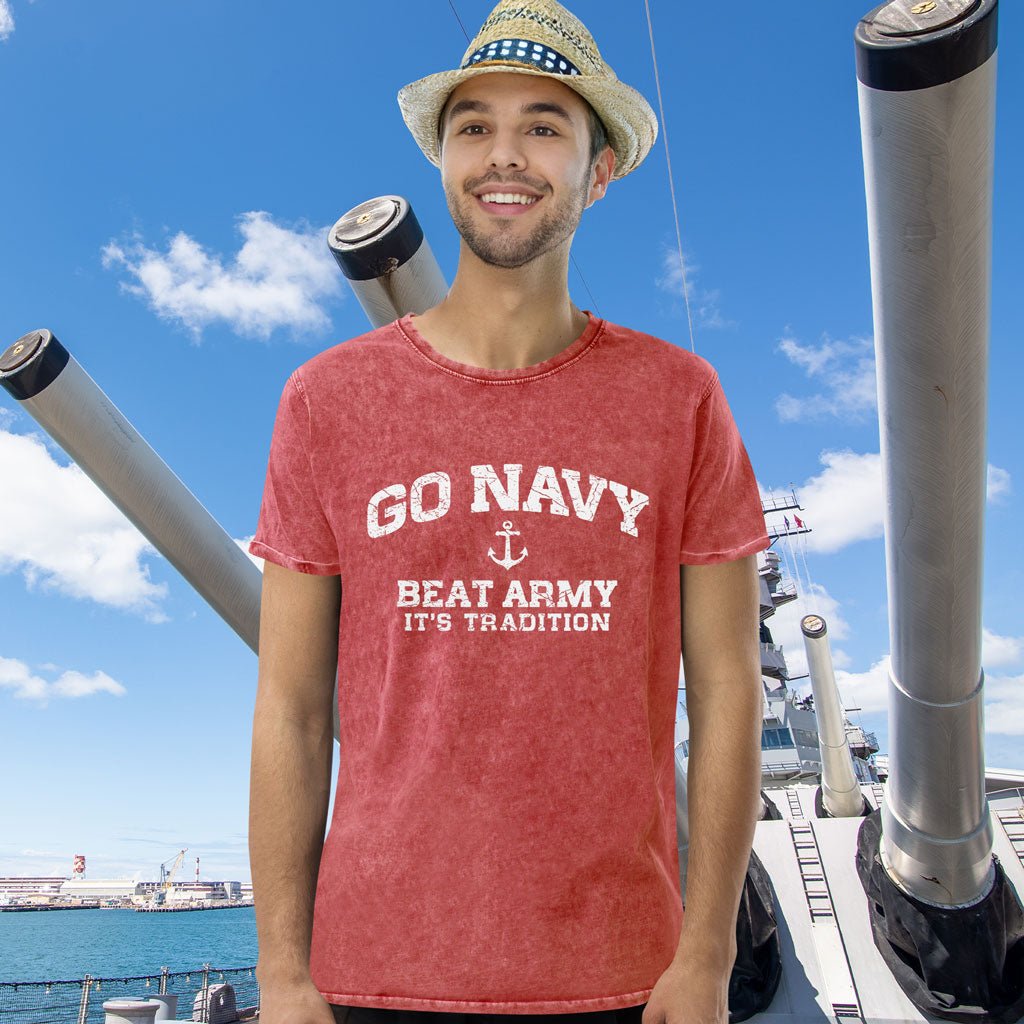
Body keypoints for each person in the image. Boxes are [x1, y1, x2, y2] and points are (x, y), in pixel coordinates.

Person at [247, 2, 769, 1024]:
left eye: (544, 124)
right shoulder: (325, 401)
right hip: (372, 973)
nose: (505, 154)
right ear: (443, 159)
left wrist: (704, 953)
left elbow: (725, 685)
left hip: (621, 971)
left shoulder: (680, 398)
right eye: (474, 125)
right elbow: (292, 708)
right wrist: (281, 972)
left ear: (598, 166)